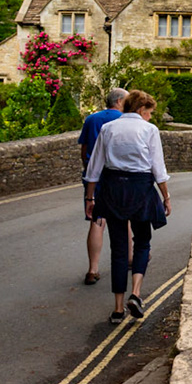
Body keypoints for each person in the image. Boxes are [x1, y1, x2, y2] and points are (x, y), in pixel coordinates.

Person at [83, 90, 170, 325]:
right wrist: (166, 197)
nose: (150, 117)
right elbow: (158, 169)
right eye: (150, 113)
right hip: (140, 188)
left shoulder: (108, 128)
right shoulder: (149, 130)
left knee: (119, 249)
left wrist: (90, 199)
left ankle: (118, 309)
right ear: (141, 110)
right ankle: (136, 293)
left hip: (112, 189)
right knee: (142, 242)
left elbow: (94, 168)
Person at [76, 88, 129, 285]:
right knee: (125, 218)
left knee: (97, 221)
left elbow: (84, 149)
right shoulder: (124, 120)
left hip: (94, 177)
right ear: (120, 101)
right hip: (116, 175)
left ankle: (92, 269)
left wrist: (89, 171)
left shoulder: (91, 119)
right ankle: (130, 258)